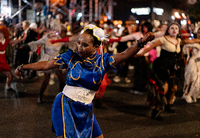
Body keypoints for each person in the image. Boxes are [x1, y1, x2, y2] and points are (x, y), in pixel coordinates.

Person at [15, 24, 154, 138]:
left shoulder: (104, 61)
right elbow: (46, 65)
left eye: (85, 45)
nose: (80, 47)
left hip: (86, 108)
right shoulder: (70, 57)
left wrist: (141, 42)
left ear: (96, 46)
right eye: (79, 43)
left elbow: (125, 54)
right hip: (65, 105)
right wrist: (23, 66)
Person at [136, 22, 200, 120]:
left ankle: (167, 105)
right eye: (172, 28)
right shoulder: (163, 39)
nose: (174, 30)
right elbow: (150, 46)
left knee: (173, 88)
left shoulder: (179, 41)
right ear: (168, 30)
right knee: (163, 88)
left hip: (172, 68)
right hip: (161, 67)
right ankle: (156, 111)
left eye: (176, 28)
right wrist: (141, 53)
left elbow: (192, 41)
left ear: (178, 31)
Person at [27, 19, 69, 103]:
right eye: (52, 29)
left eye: (56, 30)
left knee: (62, 80)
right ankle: (40, 96)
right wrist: (26, 46)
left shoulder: (59, 38)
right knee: (46, 80)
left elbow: (68, 44)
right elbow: (37, 42)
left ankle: (60, 98)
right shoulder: (46, 37)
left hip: (57, 60)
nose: (54, 31)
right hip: (48, 60)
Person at [0, 25, 24, 91]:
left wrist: (21, 40)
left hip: (3, 61)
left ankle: (8, 87)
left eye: (1, 32)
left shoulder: (6, 40)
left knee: (10, 75)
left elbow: (13, 42)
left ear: (4, 33)